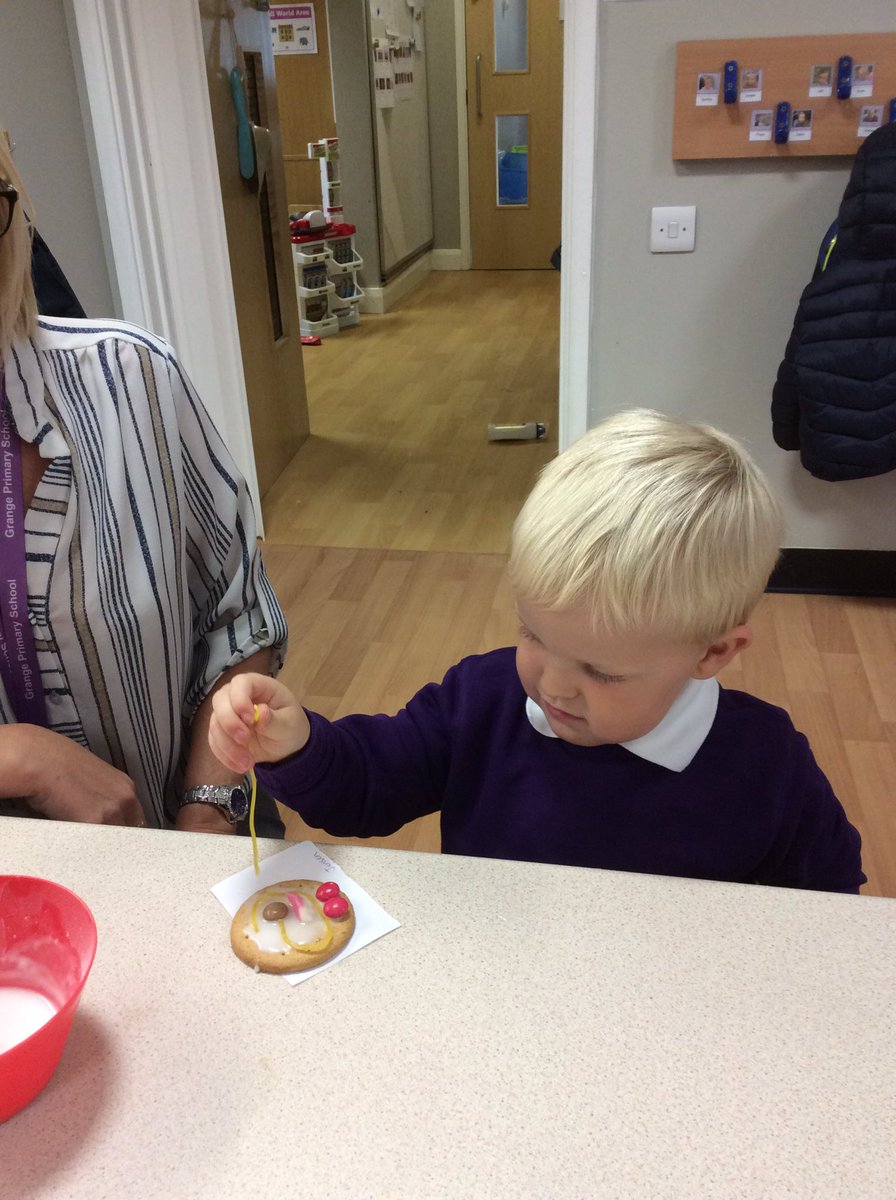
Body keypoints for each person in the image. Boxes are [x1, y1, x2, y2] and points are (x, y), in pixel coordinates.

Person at [209, 409, 866, 894]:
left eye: (601, 670)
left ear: (713, 653)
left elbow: (832, 908)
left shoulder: (766, 764)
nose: (552, 685)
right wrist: (298, 745)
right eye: (533, 634)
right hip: (498, 991)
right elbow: (366, 788)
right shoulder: (484, 700)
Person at [0, 132, 287, 834]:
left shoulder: (133, 379)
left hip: (190, 837)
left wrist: (208, 805)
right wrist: (25, 758)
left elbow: (237, 615)